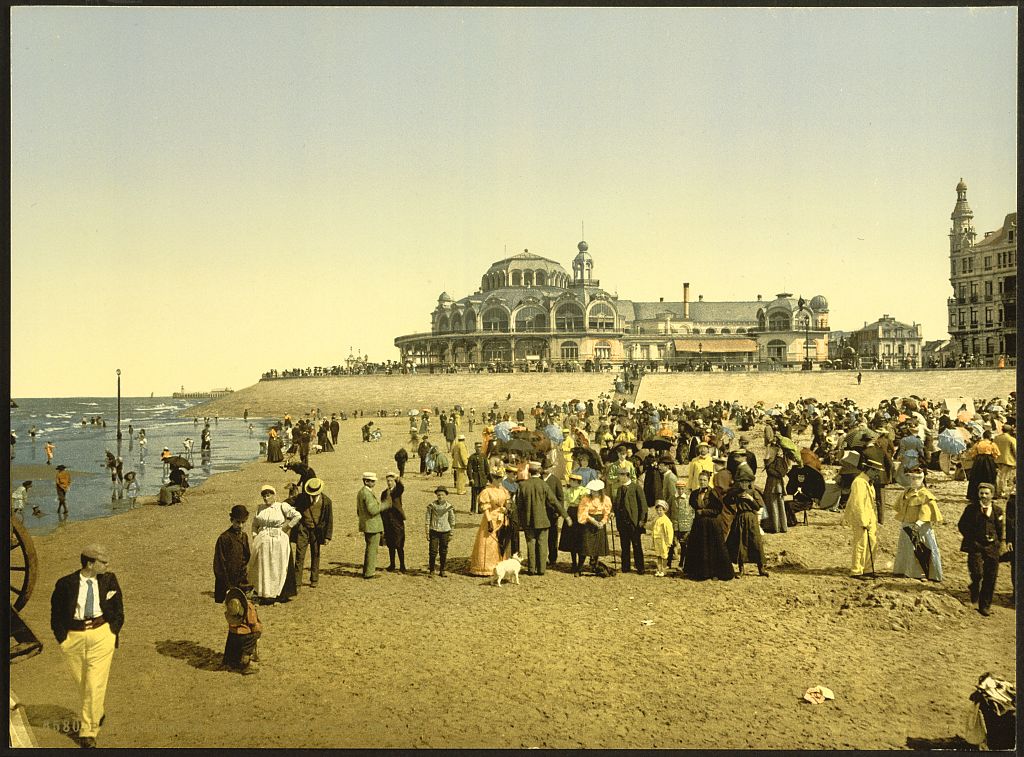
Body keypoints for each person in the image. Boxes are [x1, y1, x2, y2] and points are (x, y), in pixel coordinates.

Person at [49, 543, 125, 748]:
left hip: (102, 635)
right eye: (103, 562)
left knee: (94, 684)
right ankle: (96, 712)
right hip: (73, 637)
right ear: (90, 564)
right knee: (84, 685)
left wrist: (112, 630)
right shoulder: (65, 584)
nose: (107, 565)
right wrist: (62, 640)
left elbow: (119, 608)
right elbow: (55, 615)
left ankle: (88, 732)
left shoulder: (109, 580)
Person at [958, 482, 1005, 616]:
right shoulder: (971, 509)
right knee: (977, 572)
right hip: (976, 546)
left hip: (992, 547)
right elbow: (962, 525)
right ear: (978, 494)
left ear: (992, 495)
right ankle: (974, 586)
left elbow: (1000, 528)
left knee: (990, 577)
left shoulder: (997, 511)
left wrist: (999, 543)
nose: (984, 496)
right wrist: (971, 538)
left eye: (986, 493)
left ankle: (984, 605)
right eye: (981, 493)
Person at [516, 461, 569, 576]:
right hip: (543, 520)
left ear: (529, 472)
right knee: (542, 544)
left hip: (528, 520)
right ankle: (541, 569)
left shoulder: (523, 485)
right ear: (539, 471)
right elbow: (554, 501)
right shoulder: (544, 485)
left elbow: (519, 506)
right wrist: (565, 516)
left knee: (531, 544)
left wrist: (520, 520)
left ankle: (531, 568)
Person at [250, 485, 301, 603]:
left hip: (278, 540)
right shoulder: (260, 508)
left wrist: (287, 527)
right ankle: (265, 594)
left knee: (278, 566)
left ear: (274, 495)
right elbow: (254, 524)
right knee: (264, 566)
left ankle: (279, 594)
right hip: (263, 541)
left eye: (268, 495)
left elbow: (297, 515)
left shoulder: (281, 506)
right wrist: (255, 536)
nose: (266, 498)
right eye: (264, 496)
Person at [891, 468, 943, 581]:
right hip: (906, 524)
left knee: (921, 548)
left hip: (920, 526)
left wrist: (919, 523)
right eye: (911, 478)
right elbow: (899, 506)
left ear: (922, 479)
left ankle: (924, 573)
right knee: (906, 548)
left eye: (916, 478)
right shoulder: (906, 492)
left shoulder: (925, 495)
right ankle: (904, 570)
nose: (913, 480)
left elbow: (927, 511)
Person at [725, 464, 769, 578]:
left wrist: (751, 499)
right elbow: (727, 501)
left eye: (746, 482)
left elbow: (758, 507)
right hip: (740, 518)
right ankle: (741, 569)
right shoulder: (736, 492)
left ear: (750, 482)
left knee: (756, 543)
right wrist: (733, 495)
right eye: (742, 482)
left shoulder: (753, 492)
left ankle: (761, 568)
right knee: (740, 543)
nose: (744, 484)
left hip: (752, 519)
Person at [291, 478, 333, 589]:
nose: (313, 496)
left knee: (316, 554)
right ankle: (296, 582)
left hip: (317, 531)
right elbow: (287, 502)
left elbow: (329, 519)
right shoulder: (301, 498)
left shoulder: (326, 501)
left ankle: (314, 579)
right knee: (299, 556)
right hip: (303, 529)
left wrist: (328, 536)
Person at [842, 453, 879, 579]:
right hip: (861, 518)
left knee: (872, 543)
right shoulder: (859, 482)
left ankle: (868, 568)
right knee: (861, 544)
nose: (877, 474)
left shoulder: (869, 482)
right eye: (875, 471)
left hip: (870, 517)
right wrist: (863, 521)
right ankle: (857, 570)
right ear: (869, 470)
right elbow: (857, 503)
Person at [469, 473, 511, 576]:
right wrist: (489, 521)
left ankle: (501, 564)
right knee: (489, 541)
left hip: (502, 518)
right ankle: (486, 567)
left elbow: (507, 503)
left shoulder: (503, 490)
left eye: (501, 479)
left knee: (501, 540)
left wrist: (505, 509)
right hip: (491, 518)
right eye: (498, 479)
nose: (500, 481)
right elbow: (485, 508)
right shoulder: (486, 491)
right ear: (493, 479)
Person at [214, 505, 252, 602]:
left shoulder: (244, 536)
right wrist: (227, 586)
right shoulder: (224, 538)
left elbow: (246, 557)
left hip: (242, 581)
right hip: (227, 583)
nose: (240, 526)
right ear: (231, 520)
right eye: (237, 522)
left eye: (243, 522)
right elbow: (219, 565)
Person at [613, 469, 647, 575]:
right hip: (622, 523)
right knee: (624, 545)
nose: (619, 478)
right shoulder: (619, 489)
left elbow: (643, 505)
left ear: (626, 476)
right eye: (618, 476)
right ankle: (625, 567)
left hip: (634, 522)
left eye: (620, 476)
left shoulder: (636, 488)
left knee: (636, 545)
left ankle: (640, 567)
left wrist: (642, 520)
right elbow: (617, 505)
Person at [222, 585, 261, 675]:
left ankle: (232, 662)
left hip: (234, 631)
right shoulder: (249, 607)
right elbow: (252, 622)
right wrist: (258, 631)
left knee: (233, 645)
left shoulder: (233, 604)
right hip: (245, 634)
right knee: (249, 644)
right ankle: (246, 666)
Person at [577, 479, 612, 576]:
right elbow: (583, 513)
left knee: (596, 547)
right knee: (585, 546)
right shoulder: (586, 499)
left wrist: (602, 522)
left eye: (596, 491)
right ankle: (579, 568)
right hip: (589, 522)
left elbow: (607, 513)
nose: (594, 493)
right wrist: (593, 521)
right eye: (592, 491)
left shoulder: (606, 499)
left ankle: (594, 565)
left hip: (600, 521)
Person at [356, 472, 389, 579]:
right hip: (372, 526)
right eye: (372, 481)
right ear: (366, 481)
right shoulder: (367, 493)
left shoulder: (362, 492)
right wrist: (385, 505)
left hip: (367, 525)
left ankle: (367, 571)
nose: (374, 483)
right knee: (372, 550)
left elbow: (359, 511)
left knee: (370, 548)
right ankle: (369, 573)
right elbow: (373, 510)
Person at [558, 473, 587, 573]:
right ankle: (574, 562)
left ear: (577, 482)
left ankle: (580, 564)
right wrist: (565, 515)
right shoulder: (568, 490)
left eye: (572, 481)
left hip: (580, 512)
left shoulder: (584, 490)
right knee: (571, 539)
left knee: (581, 540)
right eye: (570, 480)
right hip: (571, 512)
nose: (570, 482)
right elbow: (566, 502)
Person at [426, 485, 456, 577]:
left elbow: (452, 520)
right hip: (434, 530)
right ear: (436, 495)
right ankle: (431, 570)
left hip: (445, 531)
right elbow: (427, 519)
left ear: (445, 495)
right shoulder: (432, 506)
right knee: (432, 551)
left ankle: (442, 570)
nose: (440, 497)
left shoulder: (449, 507)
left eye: (442, 495)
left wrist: (451, 533)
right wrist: (427, 532)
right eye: (439, 495)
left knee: (443, 551)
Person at [542, 462, 567, 568]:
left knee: (552, 537)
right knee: (542, 536)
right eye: (544, 468)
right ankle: (542, 558)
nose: (546, 470)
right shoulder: (538, 479)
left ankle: (553, 558)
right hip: (541, 512)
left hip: (552, 512)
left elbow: (560, 497)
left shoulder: (555, 480)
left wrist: (558, 511)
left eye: (548, 468)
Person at [380, 473, 407, 572]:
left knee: (399, 544)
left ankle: (402, 566)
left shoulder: (397, 491)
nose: (389, 483)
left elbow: (401, 487)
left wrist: (397, 479)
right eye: (388, 481)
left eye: (391, 481)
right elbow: (382, 507)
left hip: (397, 520)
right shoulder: (384, 493)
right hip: (387, 521)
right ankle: (392, 564)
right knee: (390, 544)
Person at [650, 501, 674, 577]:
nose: (659, 512)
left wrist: (669, 542)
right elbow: (652, 527)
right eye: (658, 510)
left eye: (661, 510)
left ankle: (664, 570)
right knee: (658, 555)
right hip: (657, 540)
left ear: (664, 510)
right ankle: (659, 569)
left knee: (664, 555)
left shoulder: (666, 520)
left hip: (663, 540)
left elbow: (669, 532)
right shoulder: (656, 519)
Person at [466, 441, 490, 514]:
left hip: (482, 478)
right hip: (475, 478)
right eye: (477, 447)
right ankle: (473, 510)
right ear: (475, 448)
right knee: (474, 495)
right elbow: (469, 469)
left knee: (482, 495)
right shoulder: (472, 457)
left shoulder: (483, 457)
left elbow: (487, 469)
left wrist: (488, 479)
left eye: (480, 447)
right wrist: (471, 479)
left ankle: (480, 509)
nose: (478, 448)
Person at [993, 424, 1016, 498]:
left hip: (997, 459)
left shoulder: (996, 438)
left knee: (999, 476)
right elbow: (1015, 451)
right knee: (1004, 477)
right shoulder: (1011, 439)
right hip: (1008, 460)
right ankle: (1001, 492)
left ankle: (998, 491)